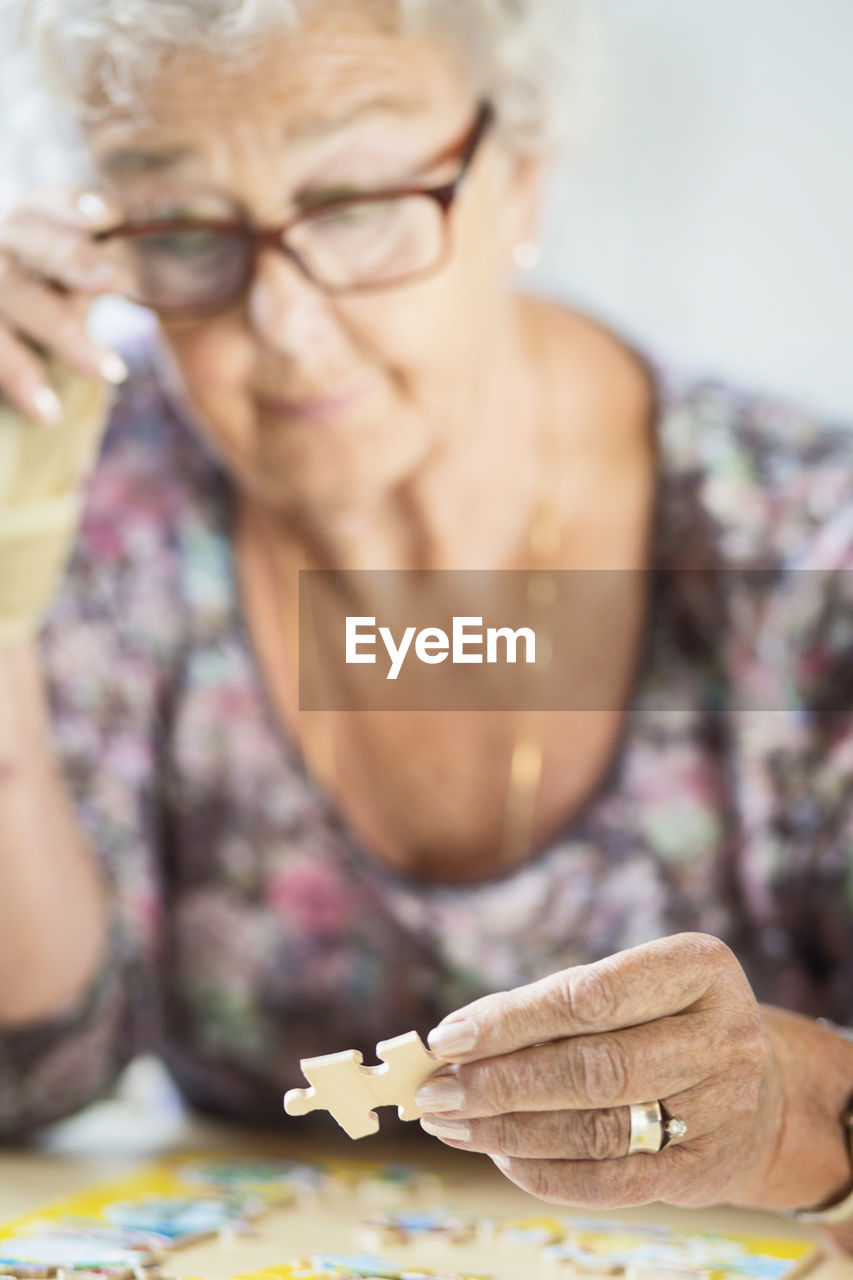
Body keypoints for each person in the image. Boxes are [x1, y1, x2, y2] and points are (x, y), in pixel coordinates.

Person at [1, 0, 852, 1244]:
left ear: (521, 172)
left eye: (354, 204)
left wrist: (793, 1116)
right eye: (182, 229)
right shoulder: (87, 498)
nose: (283, 326)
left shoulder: (800, 546)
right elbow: (35, 1067)